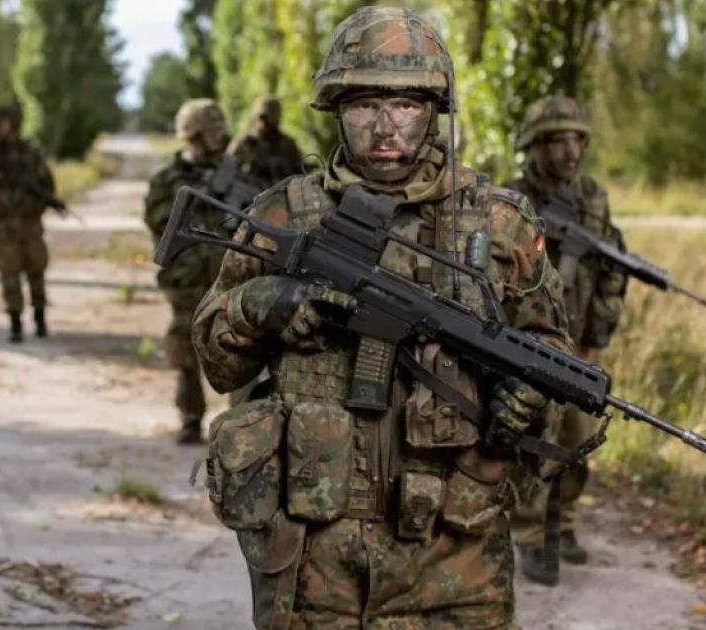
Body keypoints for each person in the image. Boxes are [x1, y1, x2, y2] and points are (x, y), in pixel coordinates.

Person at [190, 8, 574, 627]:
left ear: (435, 110)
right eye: (365, 105)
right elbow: (217, 360)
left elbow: (549, 347)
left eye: (406, 105)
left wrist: (530, 395)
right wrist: (263, 304)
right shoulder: (284, 215)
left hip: (458, 557)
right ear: (336, 108)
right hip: (315, 556)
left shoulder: (500, 224)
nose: (385, 126)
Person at [504, 95, 627, 584]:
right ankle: (531, 536)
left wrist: (598, 334)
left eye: (577, 140)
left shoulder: (593, 199)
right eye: (557, 140)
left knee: (578, 437)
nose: (570, 151)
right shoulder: (512, 200)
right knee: (536, 442)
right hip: (529, 343)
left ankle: (566, 522)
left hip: (580, 344)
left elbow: (611, 272)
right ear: (534, 146)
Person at [144, 98, 244, 444]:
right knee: (185, 349)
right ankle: (190, 418)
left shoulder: (236, 174)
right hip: (186, 279)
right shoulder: (167, 180)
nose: (218, 137)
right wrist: (200, 198)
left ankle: (241, 423)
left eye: (219, 130)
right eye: (211, 131)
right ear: (193, 135)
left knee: (240, 348)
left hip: (232, 277)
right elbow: (157, 220)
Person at [0, 103, 55, 343]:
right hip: (3, 225)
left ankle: (40, 318)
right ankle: (15, 323)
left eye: (9, 122)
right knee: (9, 277)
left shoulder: (30, 153)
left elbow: (47, 185)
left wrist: (36, 204)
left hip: (29, 224)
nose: (5, 128)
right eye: (2, 122)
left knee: (36, 272)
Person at [229, 95, 304, 186]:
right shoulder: (243, 143)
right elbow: (226, 170)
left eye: (271, 115)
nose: (265, 122)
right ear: (254, 117)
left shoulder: (288, 145)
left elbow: (300, 174)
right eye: (262, 117)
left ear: (278, 116)